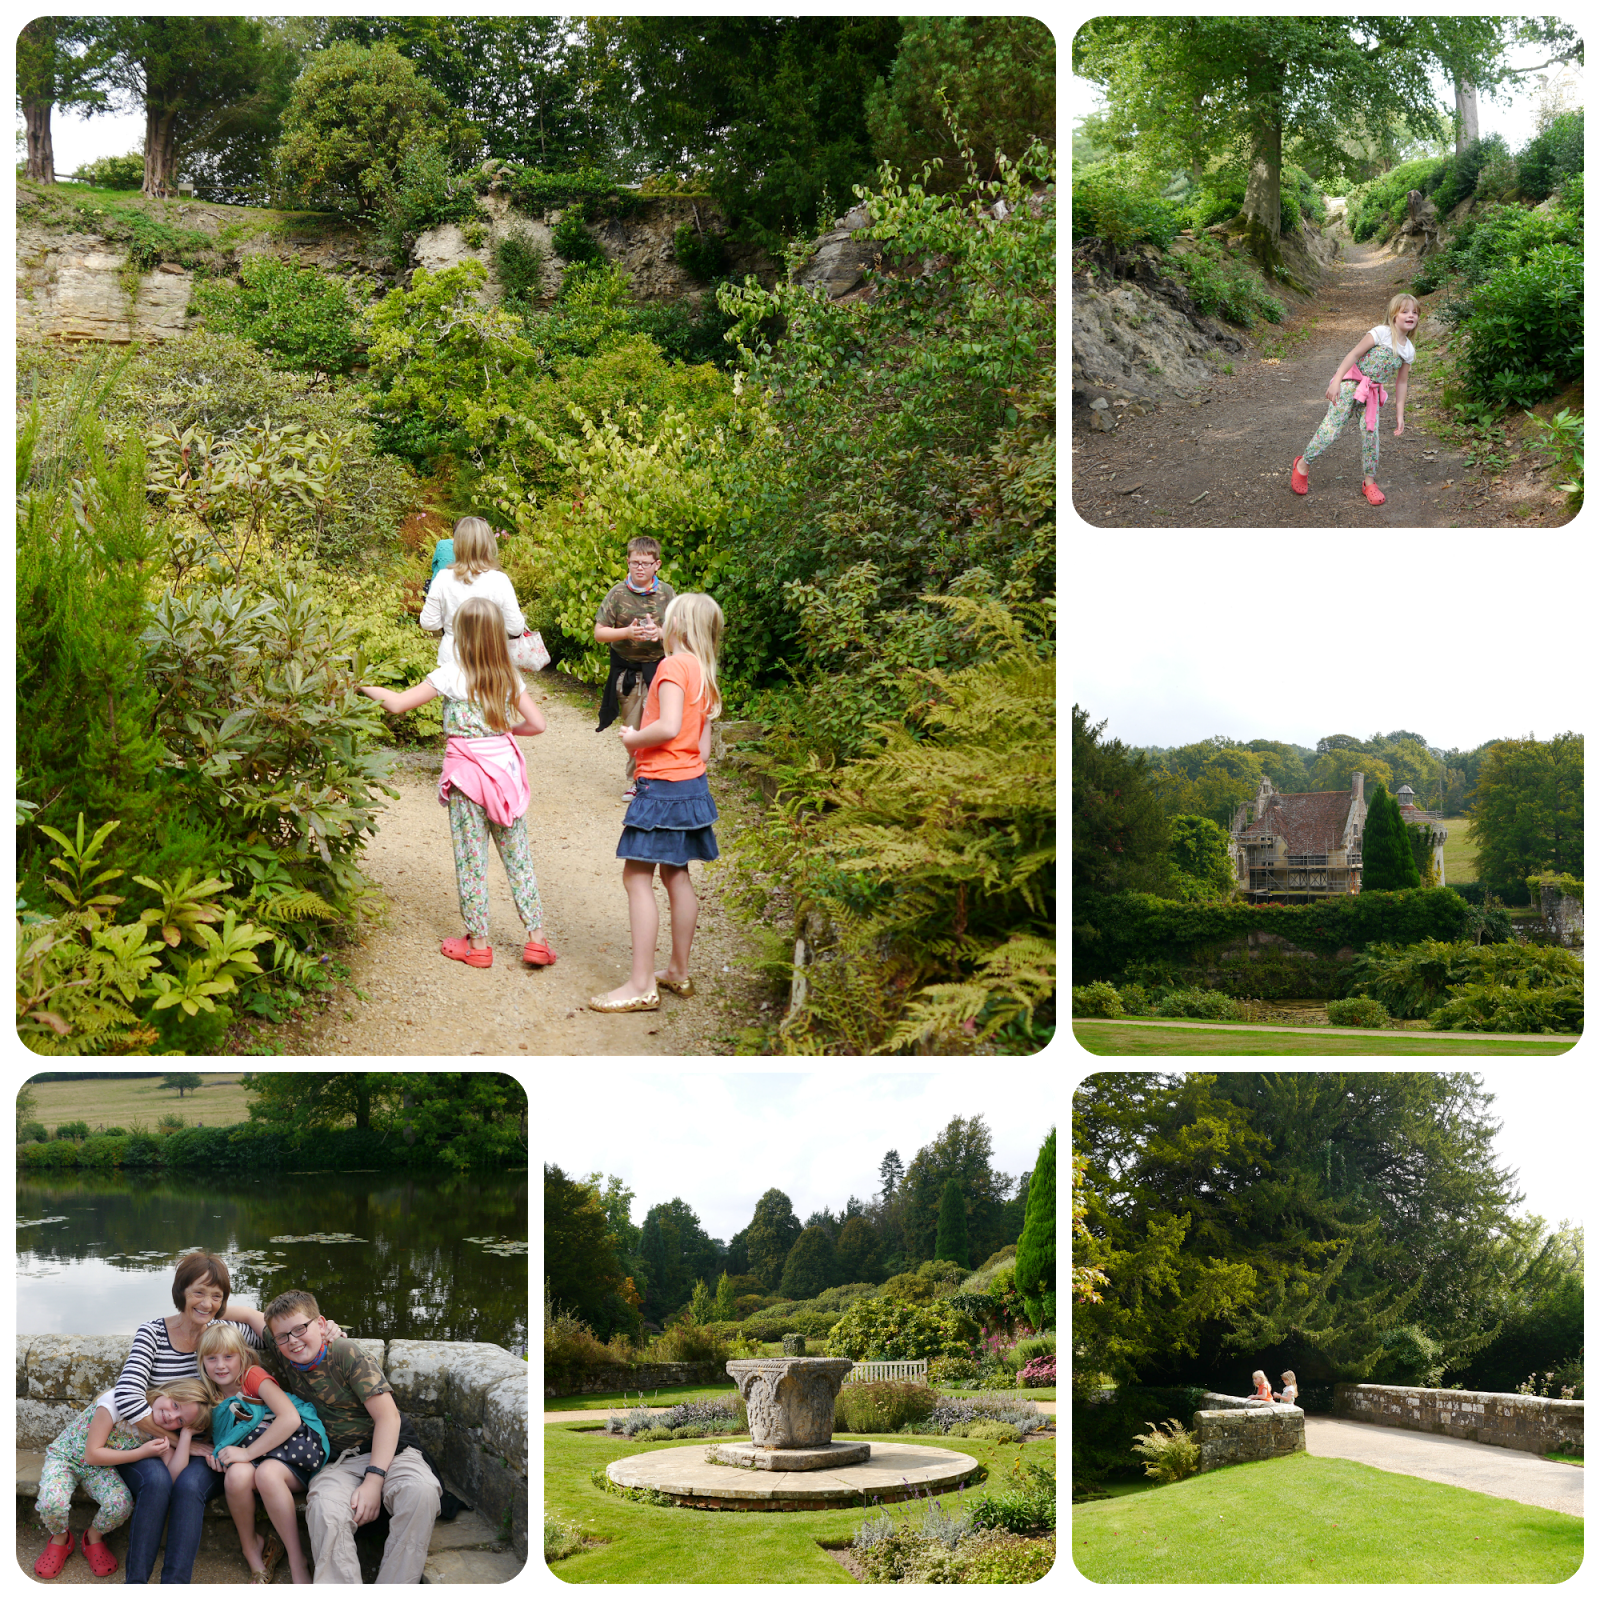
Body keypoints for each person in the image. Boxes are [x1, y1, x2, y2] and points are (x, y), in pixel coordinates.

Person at [102, 1251, 346, 1584]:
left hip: (218, 1444)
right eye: (198, 1292)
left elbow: (279, 1335)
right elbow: (127, 1397)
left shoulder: (223, 1329)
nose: (206, 1303)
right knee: (158, 1482)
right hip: (161, 1441)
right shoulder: (152, 1333)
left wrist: (324, 1327)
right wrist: (177, 1442)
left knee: (189, 1486)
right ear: (181, 1292)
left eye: (216, 1296)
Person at [360, 596, 554, 968]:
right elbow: (538, 724)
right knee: (518, 856)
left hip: (467, 778)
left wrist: (362, 686)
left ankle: (479, 944)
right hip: (504, 778)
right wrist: (503, 730)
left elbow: (399, 704)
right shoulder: (508, 675)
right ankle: (537, 940)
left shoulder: (451, 673)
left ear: (461, 636)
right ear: (497, 636)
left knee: (471, 858)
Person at [590, 591, 723, 1013]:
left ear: (678, 627)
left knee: (636, 878)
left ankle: (641, 983)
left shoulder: (670, 667)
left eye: (666, 620)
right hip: (691, 785)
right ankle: (677, 972)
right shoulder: (704, 673)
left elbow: (665, 726)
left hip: (661, 785)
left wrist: (633, 739)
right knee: (676, 876)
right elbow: (701, 749)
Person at [261, 1291, 444, 1585]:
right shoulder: (285, 1347)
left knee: (420, 1491)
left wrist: (374, 1481)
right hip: (339, 1462)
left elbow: (388, 1417)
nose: (293, 1340)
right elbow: (249, 1315)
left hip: (392, 1451)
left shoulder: (344, 1352)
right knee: (324, 1508)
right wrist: (202, 1309)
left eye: (301, 1329)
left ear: (321, 1324)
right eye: (283, 1336)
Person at [194, 1320, 329, 1584]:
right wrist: (215, 1453)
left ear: (242, 1357)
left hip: (293, 1451)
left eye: (228, 1356)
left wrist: (244, 1454)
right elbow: (217, 1440)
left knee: (266, 1474)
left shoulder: (252, 1376)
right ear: (202, 1362)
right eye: (212, 1358)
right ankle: (250, 1549)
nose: (220, 1365)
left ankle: (295, 1558)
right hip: (257, 1456)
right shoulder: (209, 1397)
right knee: (235, 1477)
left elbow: (289, 1418)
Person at [32, 1377, 207, 1579]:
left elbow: (174, 1475)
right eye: (175, 1405)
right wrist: (142, 1453)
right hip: (66, 1458)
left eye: (181, 1420)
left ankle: (93, 1537)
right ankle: (61, 1538)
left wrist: (185, 1436)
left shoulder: (160, 1432)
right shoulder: (117, 1401)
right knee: (51, 1503)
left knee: (121, 1504)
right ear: (165, 1390)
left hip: (99, 1469)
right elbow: (92, 1454)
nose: (171, 1416)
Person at [1292, 292, 1418, 506]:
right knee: (1331, 429)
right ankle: (1302, 464)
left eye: (1415, 312)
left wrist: (1400, 414)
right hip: (1351, 385)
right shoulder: (1381, 333)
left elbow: (1402, 383)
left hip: (1371, 395)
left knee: (1371, 437)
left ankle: (1369, 482)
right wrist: (1336, 381)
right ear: (1393, 314)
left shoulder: (1409, 350)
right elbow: (1354, 355)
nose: (1411, 315)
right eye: (1405, 311)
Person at [593, 538, 677, 799]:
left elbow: (681, 635)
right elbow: (599, 633)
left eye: (645, 563)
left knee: (660, 725)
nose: (639, 568)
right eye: (634, 562)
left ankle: (658, 777)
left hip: (660, 670)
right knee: (633, 727)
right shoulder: (617, 593)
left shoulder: (668, 594)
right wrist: (627, 632)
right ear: (627, 562)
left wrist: (660, 632)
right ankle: (636, 779)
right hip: (626, 671)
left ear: (657, 565)